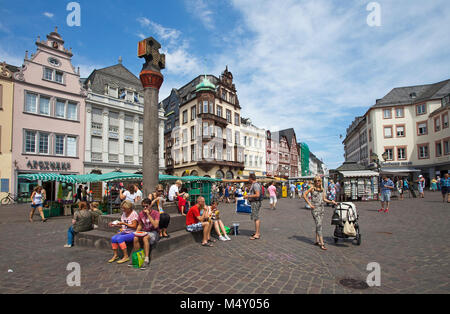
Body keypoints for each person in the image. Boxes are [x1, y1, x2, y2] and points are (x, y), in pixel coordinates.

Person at [303, 176, 337, 250]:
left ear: (321, 181)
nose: (317, 182)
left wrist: (331, 201)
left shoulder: (322, 189)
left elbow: (324, 199)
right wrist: (310, 204)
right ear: (314, 182)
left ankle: (317, 241)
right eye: (316, 181)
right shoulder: (312, 188)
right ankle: (322, 243)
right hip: (315, 209)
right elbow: (304, 195)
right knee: (319, 225)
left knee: (318, 225)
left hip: (321, 209)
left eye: (319, 181)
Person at [131, 198, 160, 270]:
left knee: (145, 237)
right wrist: (136, 232)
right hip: (145, 231)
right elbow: (140, 225)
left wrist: (148, 215)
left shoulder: (156, 213)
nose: (145, 208)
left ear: (150, 205)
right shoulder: (141, 214)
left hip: (154, 232)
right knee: (135, 238)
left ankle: (146, 259)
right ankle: (138, 257)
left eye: (146, 206)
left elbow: (156, 225)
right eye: (143, 206)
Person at [244, 173, 262, 240]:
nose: (248, 180)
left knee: (256, 217)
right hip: (254, 202)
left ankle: (257, 234)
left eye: (249, 178)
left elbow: (257, 195)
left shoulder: (255, 185)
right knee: (255, 217)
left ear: (251, 179)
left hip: (255, 203)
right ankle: (257, 232)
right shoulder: (254, 185)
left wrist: (248, 196)